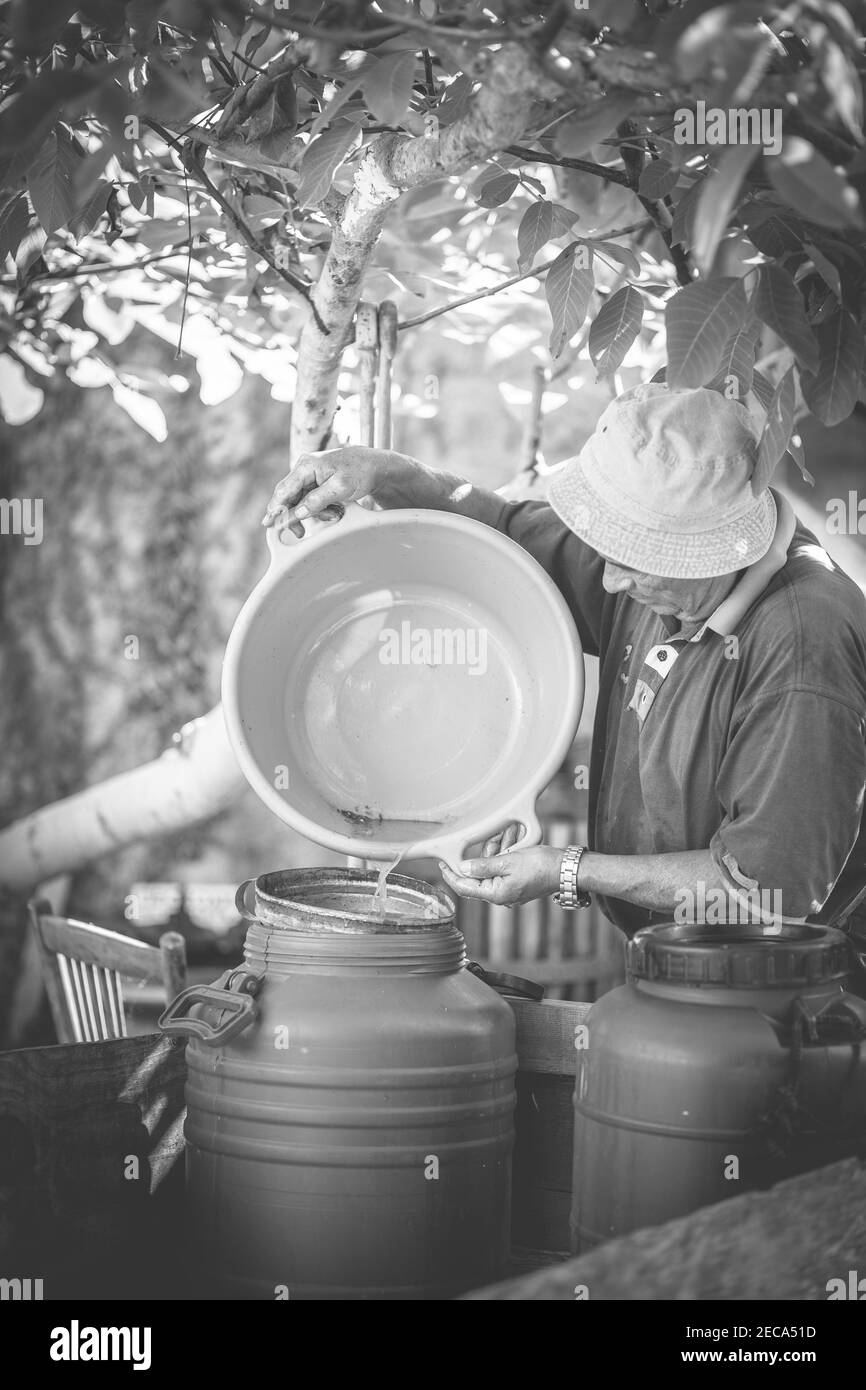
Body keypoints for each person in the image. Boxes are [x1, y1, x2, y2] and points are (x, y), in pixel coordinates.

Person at [263, 383, 866, 938]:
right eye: (607, 550)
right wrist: (390, 473)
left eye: (631, 559)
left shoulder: (804, 648)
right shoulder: (661, 575)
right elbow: (500, 529)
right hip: (671, 959)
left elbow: (768, 891)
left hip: (777, 997)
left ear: (704, 554)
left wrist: (568, 871)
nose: (606, 581)